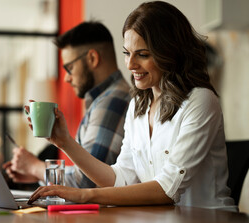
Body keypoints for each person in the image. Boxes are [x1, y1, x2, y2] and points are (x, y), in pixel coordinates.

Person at [27, 1, 236, 210]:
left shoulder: (200, 101)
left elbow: (168, 189)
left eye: (143, 54)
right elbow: (121, 178)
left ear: (170, 53)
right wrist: (64, 142)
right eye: (127, 53)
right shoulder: (138, 105)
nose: (130, 64)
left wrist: (84, 196)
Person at [3, 21, 131, 188]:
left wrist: (35, 167)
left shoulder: (113, 100)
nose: (66, 78)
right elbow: (85, 176)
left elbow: (88, 182)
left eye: (70, 68)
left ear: (92, 58)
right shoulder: (102, 100)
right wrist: (37, 174)